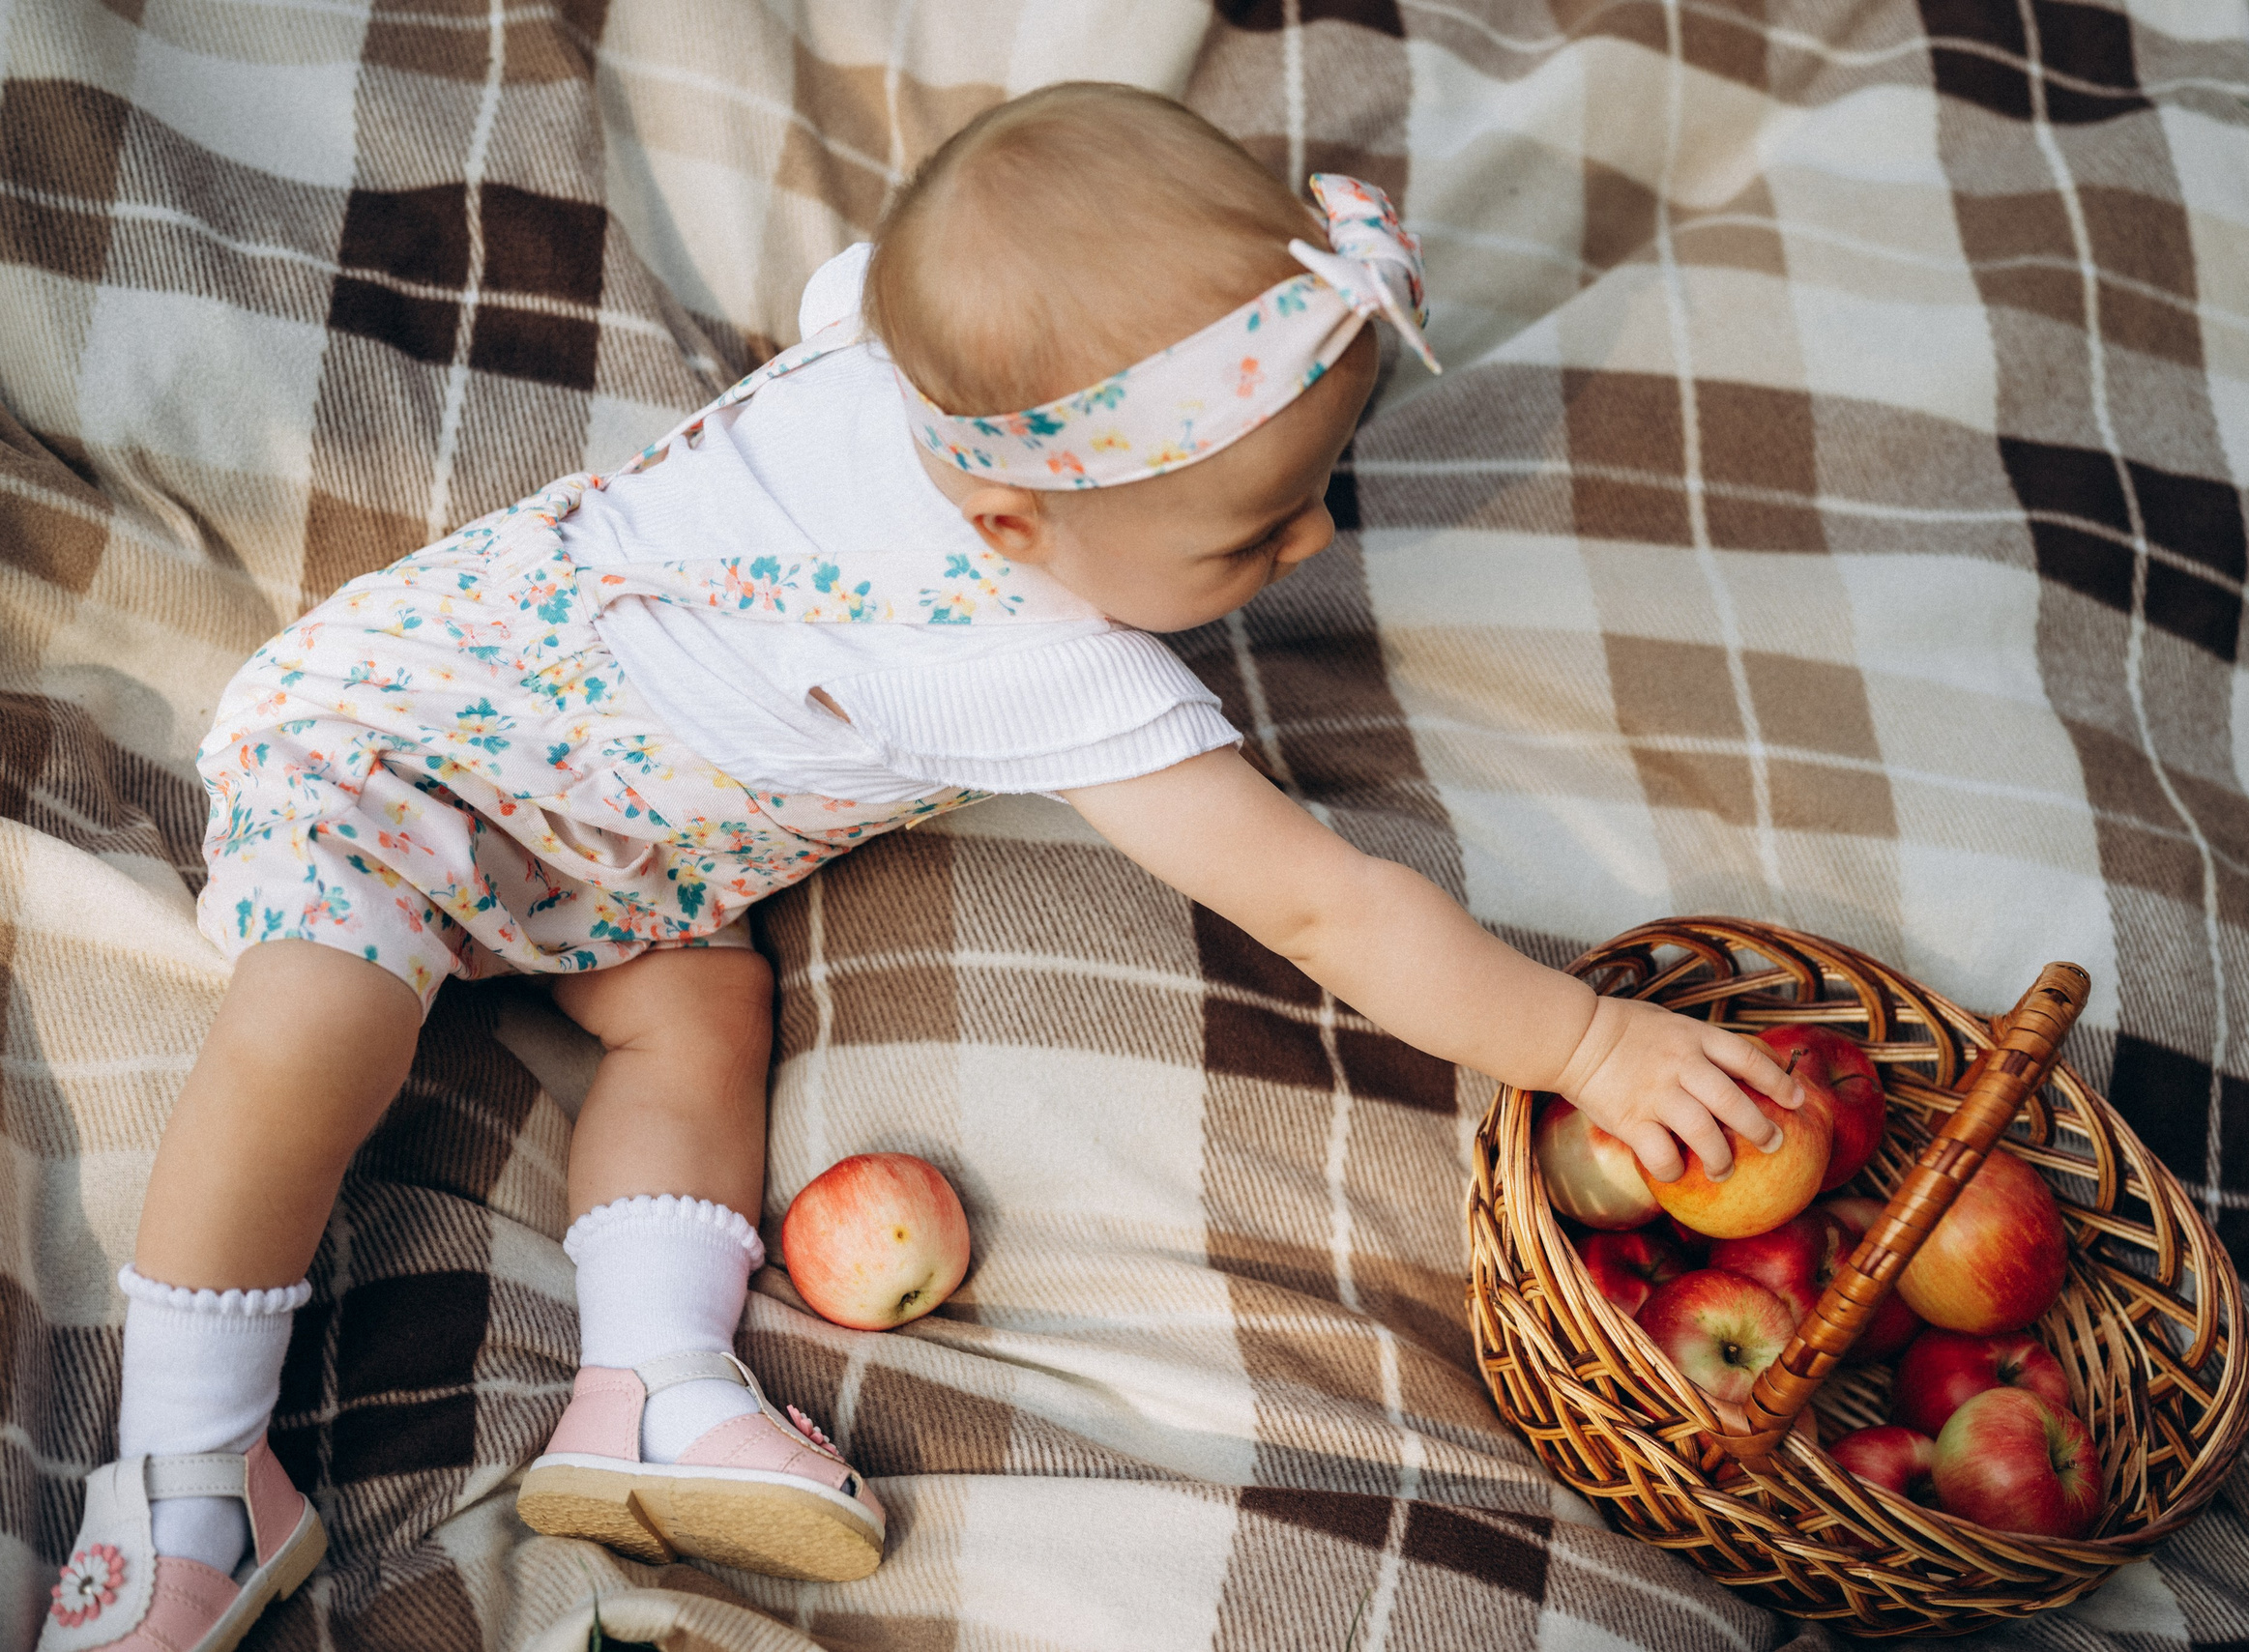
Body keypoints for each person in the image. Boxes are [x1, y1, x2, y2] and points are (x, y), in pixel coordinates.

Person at [38, 83, 1809, 1650]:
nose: (1318, 539)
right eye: (1255, 530)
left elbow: (901, 273)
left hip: (635, 853)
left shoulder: (899, 348)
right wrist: (1584, 1047)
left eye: (1317, 490)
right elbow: (1321, 897)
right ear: (1019, 531)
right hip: (403, 744)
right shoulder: (1030, 648)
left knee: (705, 1017)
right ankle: (192, 1473)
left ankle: (652, 1378)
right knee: (320, 1017)